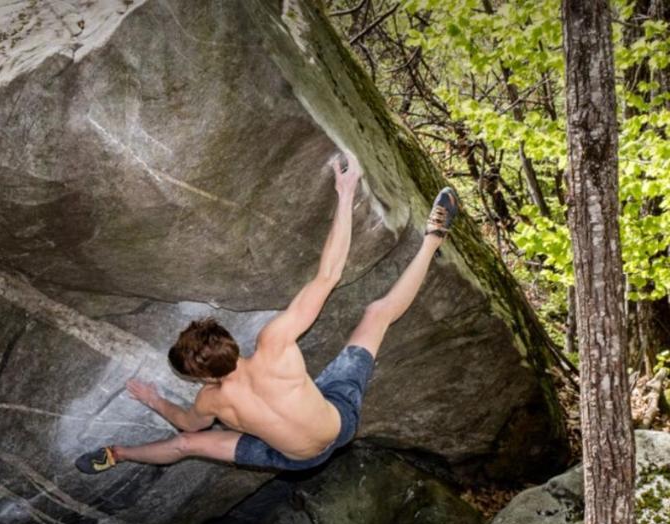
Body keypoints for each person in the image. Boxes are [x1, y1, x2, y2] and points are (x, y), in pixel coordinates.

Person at [75, 152, 459, 474]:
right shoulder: (273, 343)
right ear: (228, 340)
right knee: (377, 313)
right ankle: (433, 239)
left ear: (201, 377)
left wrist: (153, 399)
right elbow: (328, 276)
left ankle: (118, 454)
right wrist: (346, 192)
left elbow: (185, 427)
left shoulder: (212, 402)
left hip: (295, 459)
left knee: (186, 444)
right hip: (337, 423)